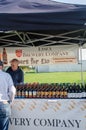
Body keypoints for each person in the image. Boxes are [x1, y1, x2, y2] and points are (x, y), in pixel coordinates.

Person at [0, 60, 16, 130]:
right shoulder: (6, 75)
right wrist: (11, 102)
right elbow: (12, 90)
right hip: (4, 103)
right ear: (1, 67)